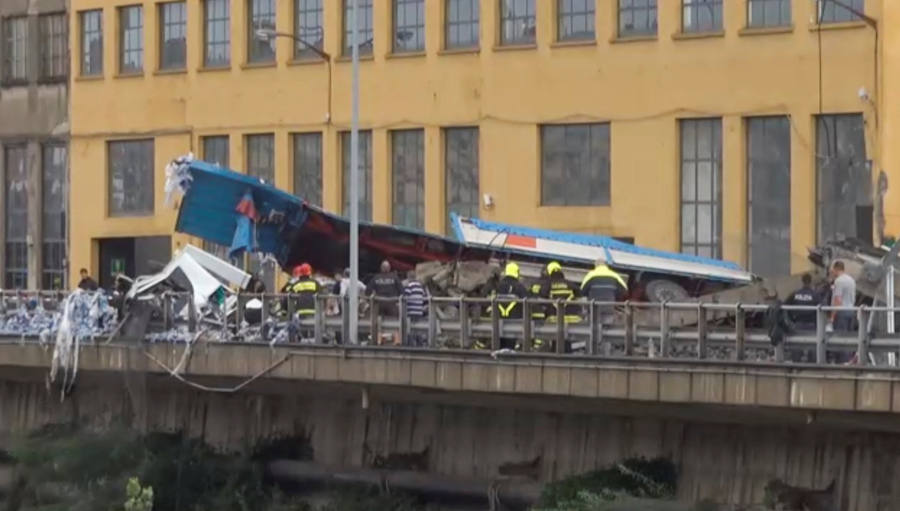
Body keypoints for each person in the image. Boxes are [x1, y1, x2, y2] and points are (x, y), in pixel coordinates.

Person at [476, 262, 528, 350]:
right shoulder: (520, 287)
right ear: (517, 272)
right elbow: (527, 303)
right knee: (510, 350)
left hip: (497, 323)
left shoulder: (498, 286)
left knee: (498, 348)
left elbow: (487, 299)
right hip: (514, 325)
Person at [369, 260, 404, 345]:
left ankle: (379, 340)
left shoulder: (376, 278)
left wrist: (373, 297)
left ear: (381, 268)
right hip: (392, 303)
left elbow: (368, 290)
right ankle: (397, 340)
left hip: (379, 303)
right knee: (395, 320)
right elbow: (402, 291)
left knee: (377, 321)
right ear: (389, 268)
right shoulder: (394, 277)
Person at [402, 271, 429, 346]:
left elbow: (405, 298)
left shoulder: (409, 286)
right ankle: (420, 344)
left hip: (411, 311)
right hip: (419, 311)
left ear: (408, 277)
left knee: (409, 329)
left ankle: (410, 345)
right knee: (418, 329)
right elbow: (424, 297)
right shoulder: (420, 286)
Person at [829, 261, 856, 333]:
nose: (833, 272)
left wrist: (832, 316)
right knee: (849, 337)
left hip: (841, 313)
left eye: (833, 270)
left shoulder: (839, 281)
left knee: (839, 337)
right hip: (851, 311)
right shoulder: (851, 280)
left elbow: (838, 300)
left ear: (836, 269)